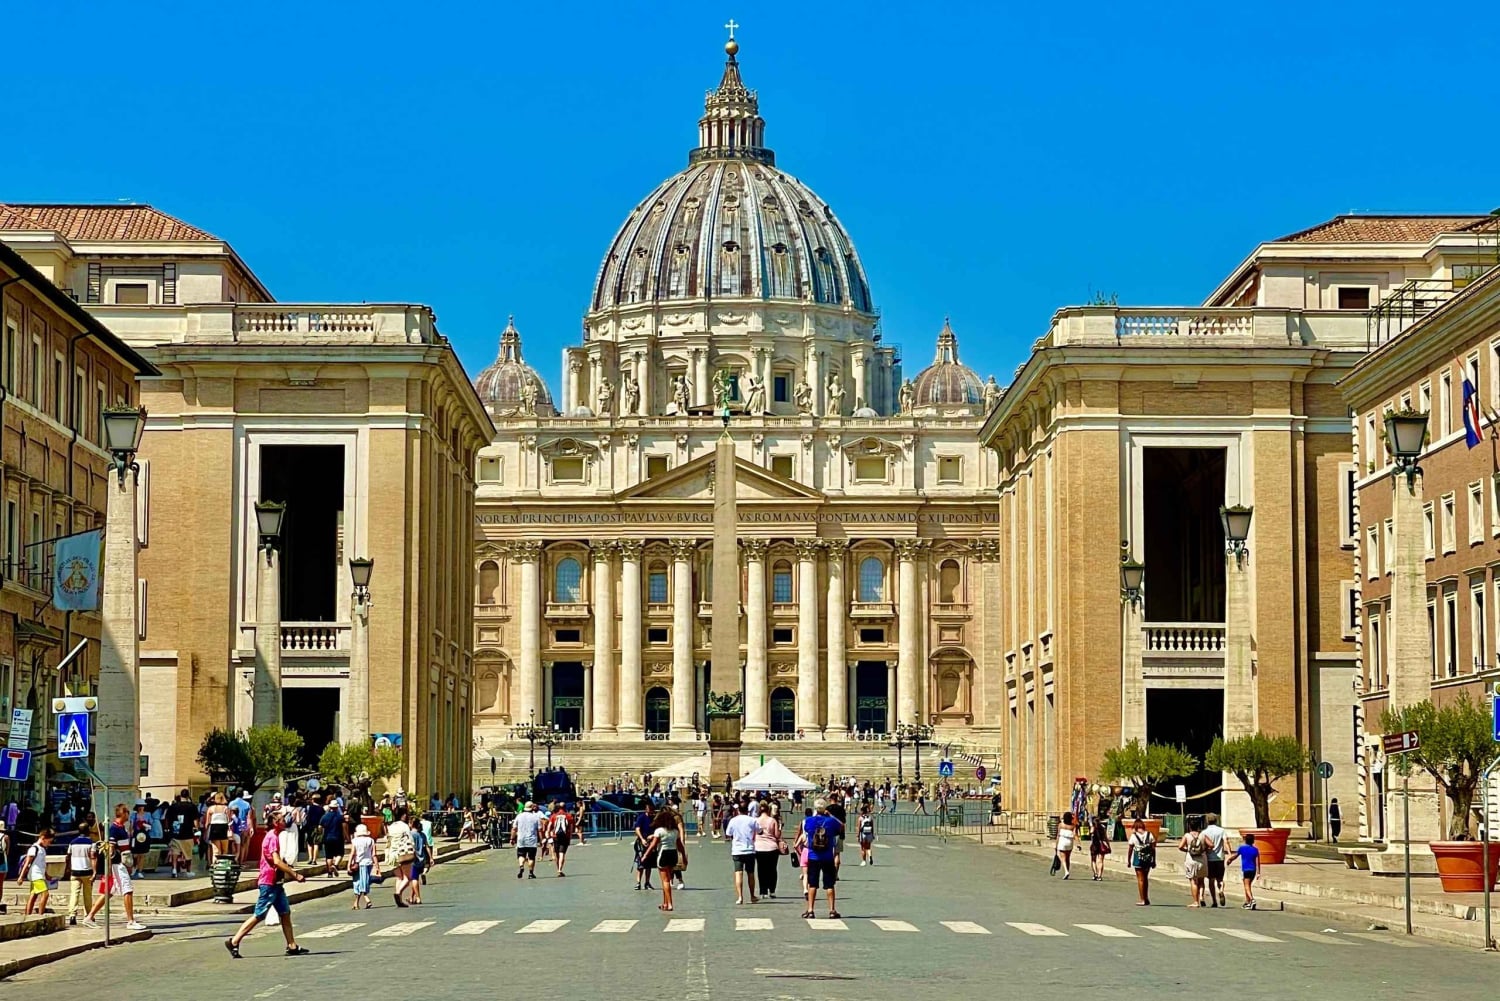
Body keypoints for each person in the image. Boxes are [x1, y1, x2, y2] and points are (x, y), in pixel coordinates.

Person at [224, 810, 309, 959]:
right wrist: (295, 875)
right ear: (276, 823)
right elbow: (275, 861)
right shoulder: (272, 837)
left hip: (276, 882)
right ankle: (234, 941)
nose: (286, 820)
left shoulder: (273, 836)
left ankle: (292, 945)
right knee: (259, 914)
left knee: (285, 913)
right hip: (269, 881)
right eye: (282, 819)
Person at [87, 804, 146, 930]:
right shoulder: (114, 829)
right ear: (123, 813)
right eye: (127, 812)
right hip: (118, 865)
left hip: (122, 863)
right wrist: (111, 868)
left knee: (109, 891)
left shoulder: (122, 828)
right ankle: (130, 921)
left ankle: (90, 916)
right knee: (127, 889)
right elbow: (111, 849)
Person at [794, 799, 843, 919]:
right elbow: (841, 826)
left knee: (812, 884)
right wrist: (829, 815)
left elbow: (806, 831)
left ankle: (810, 910)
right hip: (827, 857)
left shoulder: (809, 821)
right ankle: (832, 910)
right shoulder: (831, 822)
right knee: (830, 884)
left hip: (813, 856)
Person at [641, 809, 680, 912]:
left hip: (663, 854)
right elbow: (680, 845)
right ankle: (665, 903)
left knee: (665, 880)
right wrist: (684, 857)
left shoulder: (659, 831)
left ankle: (670, 903)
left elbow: (653, 845)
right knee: (667, 879)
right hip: (673, 854)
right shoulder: (675, 831)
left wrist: (645, 855)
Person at [725, 801, 758, 905]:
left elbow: (728, 833)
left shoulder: (733, 820)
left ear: (738, 810)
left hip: (737, 850)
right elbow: (760, 830)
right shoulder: (752, 820)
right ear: (747, 810)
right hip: (749, 850)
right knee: (751, 874)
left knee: (738, 874)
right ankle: (752, 896)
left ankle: (740, 897)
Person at [384, 806, 417, 907]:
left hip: (391, 854)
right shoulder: (404, 826)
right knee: (407, 878)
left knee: (399, 877)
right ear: (404, 815)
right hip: (402, 853)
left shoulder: (391, 826)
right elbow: (409, 839)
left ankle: (400, 899)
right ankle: (398, 893)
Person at [66, 822, 97, 926]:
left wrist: (68, 868)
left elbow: (68, 856)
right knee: (87, 895)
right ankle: (88, 915)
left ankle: (72, 915)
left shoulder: (72, 842)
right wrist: (94, 871)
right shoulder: (91, 843)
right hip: (86, 871)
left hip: (75, 871)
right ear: (88, 830)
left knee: (74, 893)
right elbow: (93, 857)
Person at [753, 800, 783, 899]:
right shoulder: (772, 820)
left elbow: (753, 835)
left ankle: (763, 891)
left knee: (761, 870)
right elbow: (777, 835)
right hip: (772, 847)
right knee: (772, 869)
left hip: (759, 847)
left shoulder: (756, 821)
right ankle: (772, 890)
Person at [165, 789, 198, 877]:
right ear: (188, 796)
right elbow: (195, 820)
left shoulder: (173, 806)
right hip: (187, 832)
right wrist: (196, 829)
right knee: (188, 853)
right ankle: (188, 870)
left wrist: (167, 828)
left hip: (175, 832)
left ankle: (174, 869)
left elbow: (167, 818)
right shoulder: (192, 806)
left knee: (175, 852)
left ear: (180, 796)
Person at [1177, 815, 1208, 907]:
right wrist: (1204, 849)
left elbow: (1180, 847)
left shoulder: (1187, 836)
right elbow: (1211, 845)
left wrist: (1188, 850)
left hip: (1191, 859)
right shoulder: (1202, 835)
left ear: (1189, 826)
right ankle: (1201, 897)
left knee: (1194, 881)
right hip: (1202, 859)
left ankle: (1195, 901)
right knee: (1201, 880)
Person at [22, 828, 54, 916]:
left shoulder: (42, 849)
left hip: (40, 874)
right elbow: (27, 863)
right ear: (43, 838)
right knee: (45, 894)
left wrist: (46, 874)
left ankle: (27, 914)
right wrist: (21, 876)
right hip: (36, 875)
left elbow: (42, 864)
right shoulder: (34, 848)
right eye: (49, 841)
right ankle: (41, 914)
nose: (49, 843)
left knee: (33, 895)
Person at [349, 822, 378, 909]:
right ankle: (356, 903)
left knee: (358, 882)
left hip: (358, 864)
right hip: (368, 863)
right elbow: (374, 854)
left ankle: (365, 899)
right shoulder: (371, 840)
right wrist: (377, 867)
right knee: (363, 882)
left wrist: (348, 864)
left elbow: (352, 853)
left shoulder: (355, 841)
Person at [1127, 818, 1156, 906]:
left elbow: (1130, 849)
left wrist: (1128, 860)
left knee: (1140, 879)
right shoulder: (1150, 835)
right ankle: (1146, 898)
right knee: (1145, 879)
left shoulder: (1134, 836)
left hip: (1138, 859)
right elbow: (1153, 849)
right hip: (1147, 859)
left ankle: (1142, 899)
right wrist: (1154, 860)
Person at [1201, 812, 1228, 907]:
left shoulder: (1204, 832)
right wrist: (1228, 852)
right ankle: (1221, 890)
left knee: (1211, 881)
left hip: (1209, 859)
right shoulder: (1221, 831)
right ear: (1216, 820)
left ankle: (1214, 901)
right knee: (1220, 879)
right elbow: (1225, 841)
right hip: (1220, 858)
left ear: (1207, 821)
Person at [511, 801, 543, 879]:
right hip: (532, 840)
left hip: (521, 839)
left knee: (521, 855)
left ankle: (521, 865)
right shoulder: (535, 817)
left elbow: (514, 829)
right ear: (532, 808)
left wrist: (512, 838)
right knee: (531, 857)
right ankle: (531, 873)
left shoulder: (519, 816)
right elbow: (539, 830)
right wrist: (541, 840)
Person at [1229, 832, 1260, 909]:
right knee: (1248, 885)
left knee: (1246, 886)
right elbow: (1257, 862)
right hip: (1253, 870)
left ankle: (1252, 900)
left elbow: (1235, 856)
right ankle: (1247, 902)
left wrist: (1230, 860)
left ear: (1245, 840)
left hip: (1246, 869)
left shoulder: (1242, 848)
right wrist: (1259, 872)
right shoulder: (1255, 850)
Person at [633, 805, 656, 891]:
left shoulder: (654, 818)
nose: (651, 812)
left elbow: (657, 829)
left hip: (651, 843)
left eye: (652, 811)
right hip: (641, 843)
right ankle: (638, 882)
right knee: (640, 863)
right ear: (646, 810)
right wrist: (642, 839)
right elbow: (637, 829)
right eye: (649, 811)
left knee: (649, 865)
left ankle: (647, 882)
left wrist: (653, 836)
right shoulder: (641, 817)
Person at [551, 802, 578, 876]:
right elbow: (571, 827)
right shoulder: (568, 816)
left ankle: (558, 868)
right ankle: (560, 869)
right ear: (565, 807)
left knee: (557, 854)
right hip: (565, 836)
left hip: (555, 836)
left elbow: (550, 826)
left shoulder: (554, 816)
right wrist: (570, 837)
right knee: (562, 853)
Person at [205, 792, 232, 864]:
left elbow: (207, 823)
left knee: (216, 852)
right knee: (225, 851)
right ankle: (224, 868)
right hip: (224, 828)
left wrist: (205, 832)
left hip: (214, 828)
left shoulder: (210, 809)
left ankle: (215, 868)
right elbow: (229, 821)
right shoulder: (226, 808)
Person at [320, 800, 345, 877]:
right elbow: (344, 827)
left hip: (327, 838)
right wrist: (346, 837)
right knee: (340, 853)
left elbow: (320, 827)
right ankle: (335, 865)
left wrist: (322, 833)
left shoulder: (324, 817)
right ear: (337, 807)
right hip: (338, 837)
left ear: (330, 807)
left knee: (329, 856)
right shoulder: (340, 817)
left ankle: (329, 873)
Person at [1054, 810, 1077, 879]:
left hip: (1062, 841)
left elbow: (1058, 835)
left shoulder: (1061, 825)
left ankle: (1066, 871)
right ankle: (1067, 870)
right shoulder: (1072, 826)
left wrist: (1056, 845)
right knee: (1068, 858)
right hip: (1070, 842)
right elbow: (1075, 834)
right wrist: (1078, 843)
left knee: (1063, 858)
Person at [1088, 815, 1111, 881]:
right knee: (1100, 861)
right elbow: (1106, 838)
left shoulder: (1093, 828)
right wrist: (1108, 846)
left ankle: (1095, 873)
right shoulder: (1102, 828)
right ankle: (1099, 875)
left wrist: (1092, 826)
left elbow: (1091, 833)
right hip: (1101, 845)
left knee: (1093, 860)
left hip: (1094, 845)